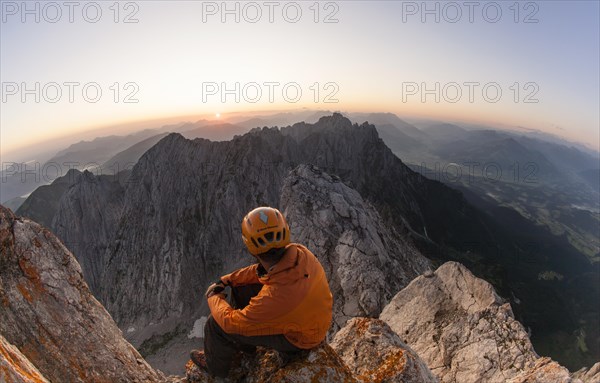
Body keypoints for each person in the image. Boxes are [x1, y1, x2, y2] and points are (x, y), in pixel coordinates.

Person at [190, 207, 333, 379]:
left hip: (300, 339)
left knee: (215, 325)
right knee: (241, 288)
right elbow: (261, 271)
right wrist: (228, 280)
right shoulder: (301, 253)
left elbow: (229, 323)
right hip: (309, 320)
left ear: (249, 245)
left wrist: (213, 296)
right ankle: (245, 347)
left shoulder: (272, 297)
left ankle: (217, 371)